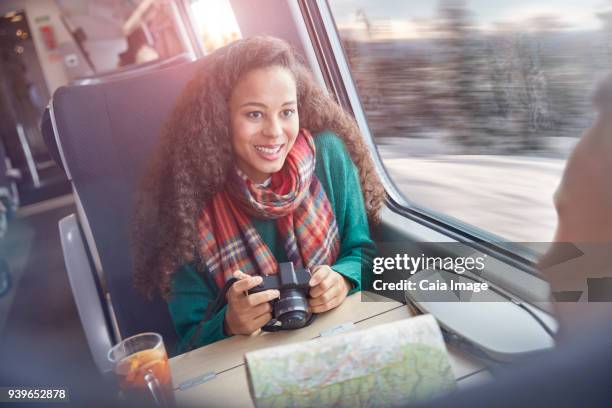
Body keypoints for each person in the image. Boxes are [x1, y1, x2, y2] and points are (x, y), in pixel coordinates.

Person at [131, 36, 385, 353]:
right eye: (255, 114)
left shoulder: (329, 153)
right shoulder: (185, 199)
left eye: (286, 112)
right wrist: (228, 323)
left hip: (340, 342)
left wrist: (343, 279)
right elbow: (189, 339)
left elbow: (362, 252)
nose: (275, 131)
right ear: (219, 119)